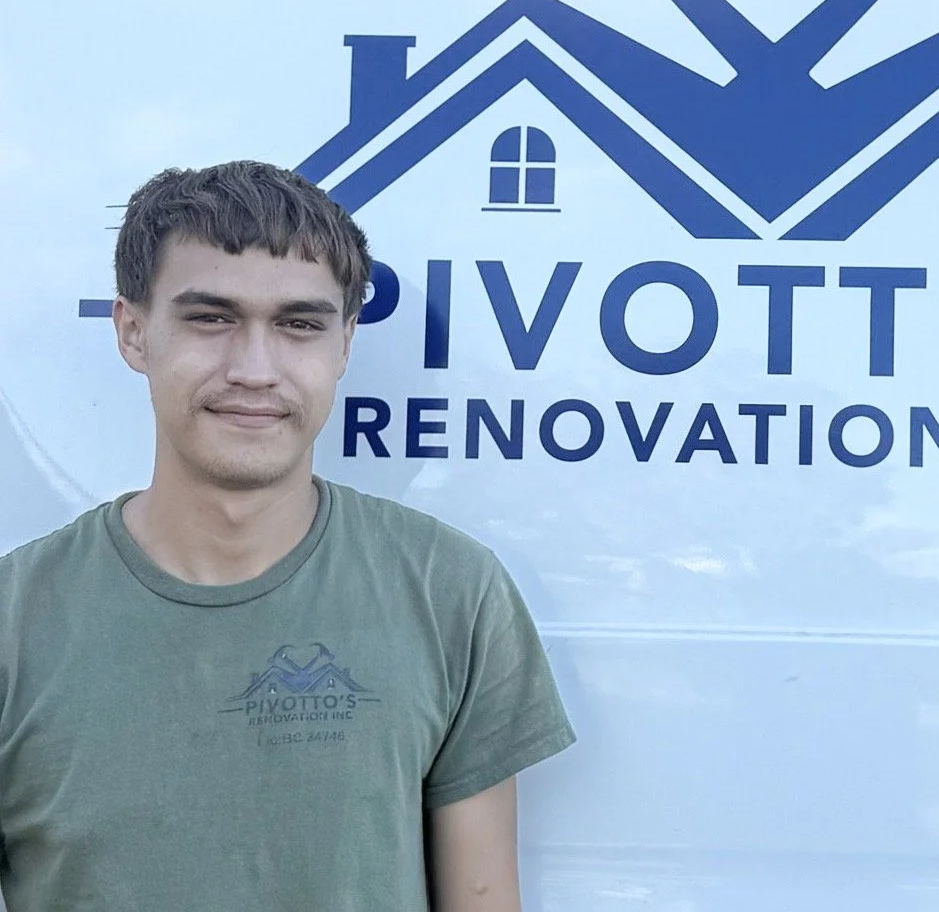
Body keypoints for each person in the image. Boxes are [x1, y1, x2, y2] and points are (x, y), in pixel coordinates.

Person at [0, 161, 574, 911]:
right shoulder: (15, 620)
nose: (255, 368)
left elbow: (482, 897)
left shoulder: (449, 592)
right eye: (211, 318)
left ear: (343, 346)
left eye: (299, 324)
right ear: (133, 333)